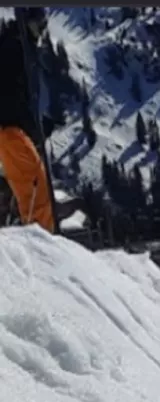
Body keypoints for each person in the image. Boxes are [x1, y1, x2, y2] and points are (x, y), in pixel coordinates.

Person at [0, 8, 56, 234]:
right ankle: (40, 242)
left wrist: (38, 124)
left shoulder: (17, 46)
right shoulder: (15, 48)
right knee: (36, 188)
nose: (42, 29)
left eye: (44, 23)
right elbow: (11, 98)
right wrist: (34, 126)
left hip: (12, 127)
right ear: (27, 22)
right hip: (9, 129)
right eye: (39, 23)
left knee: (33, 184)